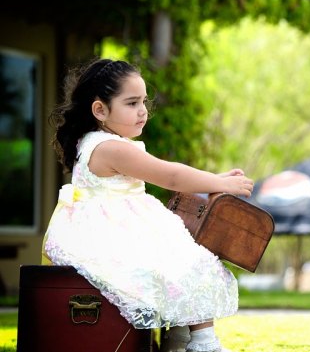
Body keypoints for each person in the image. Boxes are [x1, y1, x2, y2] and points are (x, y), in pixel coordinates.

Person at [44, 58, 254, 352]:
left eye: (144, 101)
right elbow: (170, 175)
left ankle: (178, 339)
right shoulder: (111, 148)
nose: (142, 110)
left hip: (111, 224)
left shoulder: (98, 142)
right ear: (100, 109)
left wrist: (215, 178)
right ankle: (204, 343)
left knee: (179, 261)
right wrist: (220, 183)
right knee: (188, 262)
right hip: (107, 232)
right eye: (131, 103)